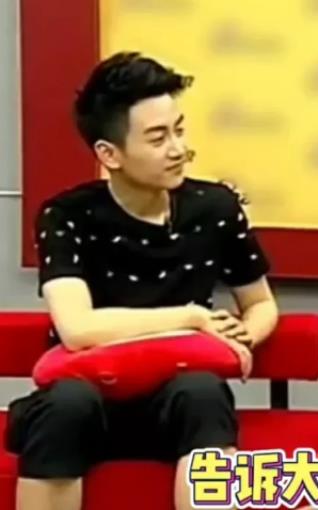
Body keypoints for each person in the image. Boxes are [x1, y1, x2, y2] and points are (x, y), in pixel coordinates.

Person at [4, 52, 279, 510]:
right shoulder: (66, 216)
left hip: (177, 399)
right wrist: (191, 319)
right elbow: (78, 329)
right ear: (109, 154)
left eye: (179, 130)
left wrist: (244, 335)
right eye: (158, 138)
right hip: (89, 395)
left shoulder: (215, 208)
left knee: (203, 392)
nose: (178, 149)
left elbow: (261, 303)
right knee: (66, 404)